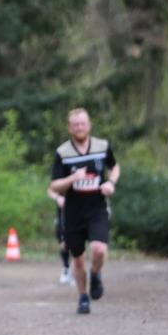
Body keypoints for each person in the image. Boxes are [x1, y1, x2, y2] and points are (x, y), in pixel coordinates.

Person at [48, 108, 120, 314]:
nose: (79, 127)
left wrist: (111, 183)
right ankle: (82, 297)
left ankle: (96, 275)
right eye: (75, 124)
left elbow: (114, 167)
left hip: (97, 208)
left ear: (89, 125)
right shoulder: (63, 152)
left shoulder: (102, 146)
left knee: (99, 249)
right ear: (70, 128)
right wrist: (72, 179)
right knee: (77, 258)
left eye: (83, 123)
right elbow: (54, 185)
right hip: (73, 212)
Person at [46, 187, 73, 284]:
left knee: (77, 243)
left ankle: (77, 270)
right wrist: (58, 198)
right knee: (63, 243)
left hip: (80, 213)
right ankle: (66, 268)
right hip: (63, 214)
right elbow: (50, 190)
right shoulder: (62, 174)